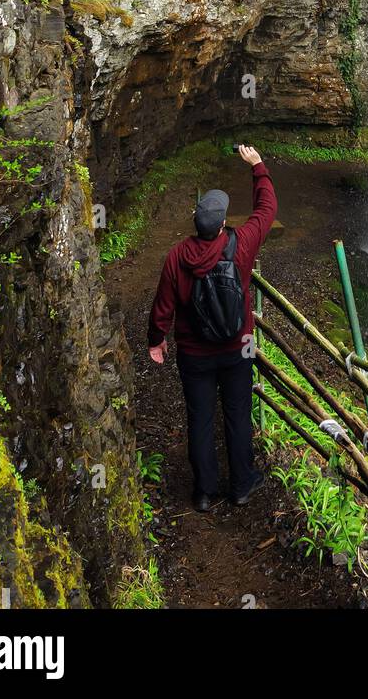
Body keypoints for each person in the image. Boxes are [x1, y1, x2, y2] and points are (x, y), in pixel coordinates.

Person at [147, 144, 277, 511]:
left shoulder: (177, 257)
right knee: (237, 414)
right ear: (221, 224)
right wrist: (257, 167)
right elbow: (267, 210)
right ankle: (241, 485)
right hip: (240, 348)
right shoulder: (241, 245)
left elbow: (163, 306)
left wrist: (156, 340)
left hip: (195, 354)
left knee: (201, 419)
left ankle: (204, 492)